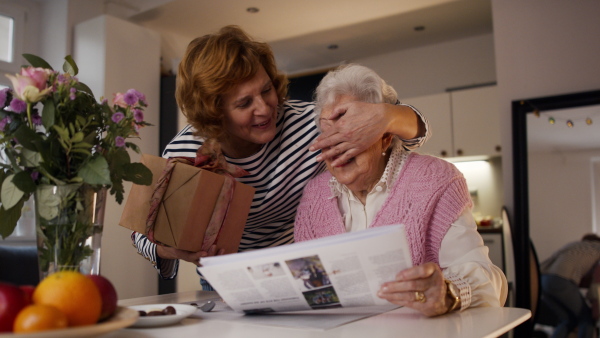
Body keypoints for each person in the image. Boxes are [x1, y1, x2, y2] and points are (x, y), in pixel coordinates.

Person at [131, 26, 430, 289]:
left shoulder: (309, 124)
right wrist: (173, 250)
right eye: (245, 102)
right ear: (215, 112)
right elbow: (142, 234)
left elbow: (412, 136)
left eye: (266, 90)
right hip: (228, 281)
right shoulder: (185, 153)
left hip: (302, 271)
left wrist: (387, 115)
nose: (264, 108)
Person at [294, 64, 507, 317]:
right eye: (327, 137)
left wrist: (450, 293)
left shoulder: (437, 180)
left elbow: (492, 282)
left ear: (385, 137)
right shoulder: (313, 196)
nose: (335, 149)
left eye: (349, 137)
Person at [538, 234, 600, 338]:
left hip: (543, 280)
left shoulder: (574, 246)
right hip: (561, 280)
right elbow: (596, 279)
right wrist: (595, 301)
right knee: (586, 319)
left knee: (568, 320)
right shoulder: (597, 248)